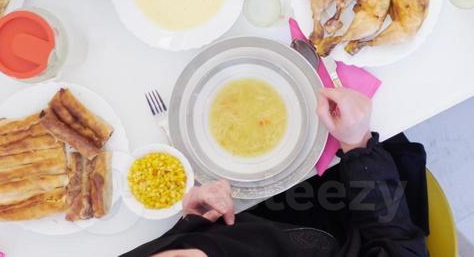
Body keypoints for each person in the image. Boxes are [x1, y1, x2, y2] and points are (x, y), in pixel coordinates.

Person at [121, 87, 429, 257]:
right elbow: (399, 246)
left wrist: (191, 225)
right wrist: (358, 147)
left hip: (244, 211)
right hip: (336, 219)